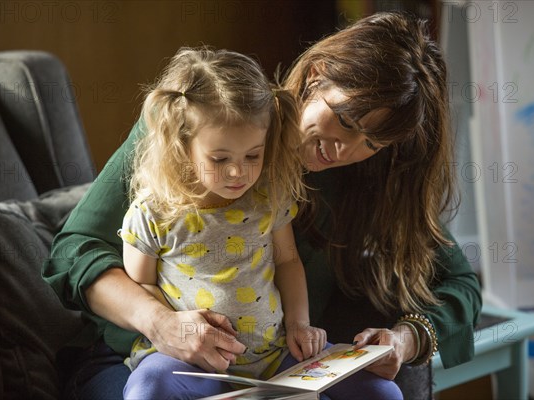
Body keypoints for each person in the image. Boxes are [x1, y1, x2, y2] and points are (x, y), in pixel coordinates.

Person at [43, 11, 481, 400]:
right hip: (147, 363)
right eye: (346, 119)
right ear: (317, 73)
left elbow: (459, 281)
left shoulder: (367, 184)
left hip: (275, 366)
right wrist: (160, 323)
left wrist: (405, 339)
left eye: (371, 142)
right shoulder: (205, 123)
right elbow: (74, 250)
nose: (343, 148)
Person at [114, 47, 399, 399]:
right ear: (183, 144)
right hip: (191, 361)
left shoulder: (268, 196)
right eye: (219, 158)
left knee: (382, 393)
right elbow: (140, 286)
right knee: (146, 388)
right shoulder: (155, 211)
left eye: (253, 155)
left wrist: (299, 324)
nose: (238, 172)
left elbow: (287, 260)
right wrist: (175, 330)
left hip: (274, 354)